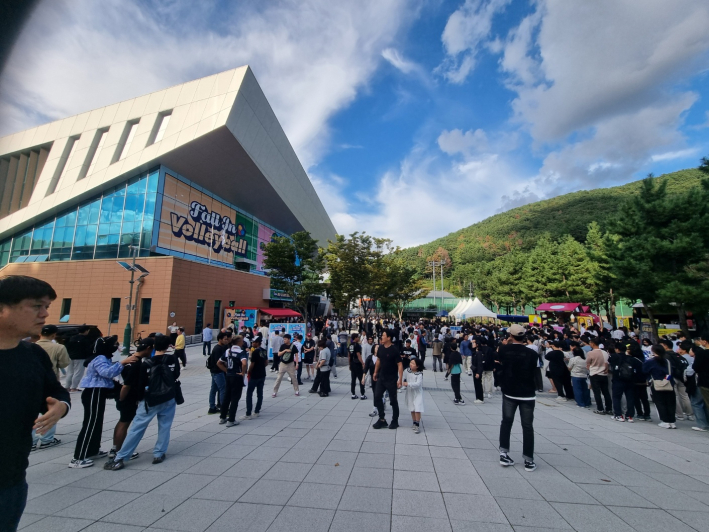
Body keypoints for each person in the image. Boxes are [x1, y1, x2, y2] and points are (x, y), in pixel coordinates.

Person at [0, 276, 71, 532]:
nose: (46, 314)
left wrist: (60, 407)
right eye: (36, 306)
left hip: (11, 481)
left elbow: (56, 392)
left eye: (47, 306)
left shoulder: (33, 354)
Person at [105, 335, 180, 469]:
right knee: (165, 426)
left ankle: (121, 456)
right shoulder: (173, 359)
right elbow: (176, 375)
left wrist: (139, 399)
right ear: (168, 346)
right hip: (169, 397)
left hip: (150, 400)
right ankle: (159, 453)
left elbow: (141, 384)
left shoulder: (147, 363)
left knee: (137, 428)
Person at [71, 335, 137, 468]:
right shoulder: (100, 358)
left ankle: (93, 450)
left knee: (97, 422)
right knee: (90, 424)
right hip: (94, 392)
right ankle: (78, 457)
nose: (115, 347)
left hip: (99, 393)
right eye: (113, 344)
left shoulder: (103, 357)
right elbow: (106, 372)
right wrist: (122, 363)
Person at [496, 324, 538, 472]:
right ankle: (528, 459)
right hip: (527, 392)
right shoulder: (532, 354)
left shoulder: (504, 349)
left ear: (511, 336)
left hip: (509, 390)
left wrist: (507, 343)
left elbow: (500, 360)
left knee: (506, 421)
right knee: (527, 426)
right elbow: (534, 370)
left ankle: (504, 453)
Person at [108, 338, 154, 462]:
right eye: (151, 349)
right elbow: (127, 385)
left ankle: (115, 448)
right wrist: (122, 399)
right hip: (128, 396)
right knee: (125, 422)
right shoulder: (137, 364)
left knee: (122, 421)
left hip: (122, 394)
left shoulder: (130, 357)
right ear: (148, 348)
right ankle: (118, 450)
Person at [31, 325, 71, 450]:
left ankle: (30, 440)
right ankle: (46, 439)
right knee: (50, 410)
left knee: (31, 411)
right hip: (50, 381)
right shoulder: (58, 347)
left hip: (31, 382)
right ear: (54, 335)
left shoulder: (30, 346)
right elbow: (65, 363)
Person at [372, 330, 403, 429]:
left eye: (384, 335)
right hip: (382, 377)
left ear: (389, 337)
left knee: (393, 401)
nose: (382, 337)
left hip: (391, 379)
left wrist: (400, 379)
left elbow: (400, 364)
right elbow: (378, 360)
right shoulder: (380, 348)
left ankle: (395, 421)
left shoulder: (394, 349)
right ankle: (382, 419)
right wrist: (375, 372)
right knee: (377, 397)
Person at [643, 344, 677, 428]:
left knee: (660, 402)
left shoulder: (650, 361)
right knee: (670, 403)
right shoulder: (667, 361)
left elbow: (644, 371)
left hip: (656, 384)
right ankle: (671, 421)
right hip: (669, 383)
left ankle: (665, 420)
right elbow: (672, 372)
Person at [218, 335, 248, 426]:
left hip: (229, 376)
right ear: (238, 342)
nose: (243, 342)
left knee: (227, 396)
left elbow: (219, 363)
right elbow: (244, 363)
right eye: (242, 341)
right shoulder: (241, 352)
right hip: (237, 376)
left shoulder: (228, 351)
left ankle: (223, 417)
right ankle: (231, 420)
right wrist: (242, 372)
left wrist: (227, 371)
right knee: (235, 398)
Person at [608, 343, 643, 422]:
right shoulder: (631, 358)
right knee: (630, 398)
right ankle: (629, 416)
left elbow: (609, 364)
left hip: (618, 380)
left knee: (616, 397)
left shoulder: (614, 356)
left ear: (617, 349)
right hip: (630, 381)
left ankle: (618, 415)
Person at [684, 343, 709, 432]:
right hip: (704, 382)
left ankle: (702, 425)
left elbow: (692, 370)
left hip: (699, 382)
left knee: (696, 403)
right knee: (704, 403)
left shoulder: (698, 358)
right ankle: (706, 423)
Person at [241, 337, 268, 420]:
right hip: (262, 374)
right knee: (260, 393)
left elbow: (252, 363)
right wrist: (261, 367)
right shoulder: (264, 350)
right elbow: (266, 362)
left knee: (249, 393)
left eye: (254, 342)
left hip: (254, 375)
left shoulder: (255, 352)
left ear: (258, 343)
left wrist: (248, 371)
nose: (252, 343)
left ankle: (248, 413)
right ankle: (257, 411)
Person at [586, 338, 612, 415]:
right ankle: (609, 408)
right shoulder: (605, 352)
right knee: (606, 392)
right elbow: (607, 363)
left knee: (597, 392)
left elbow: (587, 364)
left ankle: (600, 408)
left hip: (594, 374)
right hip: (604, 374)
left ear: (593, 343)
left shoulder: (590, 353)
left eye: (590, 343)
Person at [65, 325, 92, 392]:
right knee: (78, 373)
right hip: (80, 358)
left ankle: (67, 387)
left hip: (70, 357)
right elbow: (88, 349)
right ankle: (74, 387)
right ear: (86, 331)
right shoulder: (86, 339)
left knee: (70, 372)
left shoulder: (72, 338)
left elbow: (67, 347)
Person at [207, 332, 230, 414]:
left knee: (213, 389)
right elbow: (219, 362)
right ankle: (224, 409)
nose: (226, 341)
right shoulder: (218, 349)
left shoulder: (219, 347)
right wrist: (226, 370)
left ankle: (212, 407)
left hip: (214, 371)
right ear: (220, 339)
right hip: (218, 372)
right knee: (222, 389)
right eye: (225, 339)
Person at [404, 358, 424, 433]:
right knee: (412, 407)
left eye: (413, 363)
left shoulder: (419, 374)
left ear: (417, 366)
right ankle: (414, 422)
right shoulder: (407, 371)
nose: (411, 364)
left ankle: (417, 424)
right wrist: (401, 382)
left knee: (417, 407)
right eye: (410, 363)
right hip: (410, 392)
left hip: (418, 392)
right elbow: (403, 377)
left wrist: (408, 383)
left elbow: (418, 384)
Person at [349, 333, 366, 400]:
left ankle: (353, 394)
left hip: (352, 363)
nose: (358, 338)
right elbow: (358, 355)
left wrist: (350, 364)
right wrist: (362, 363)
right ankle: (362, 394)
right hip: (357, 364)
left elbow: (349, 355)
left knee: (353, 379)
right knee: (361, 379)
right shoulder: (357, 345)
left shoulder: (350, 345)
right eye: (358, 337)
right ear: (355, 338)